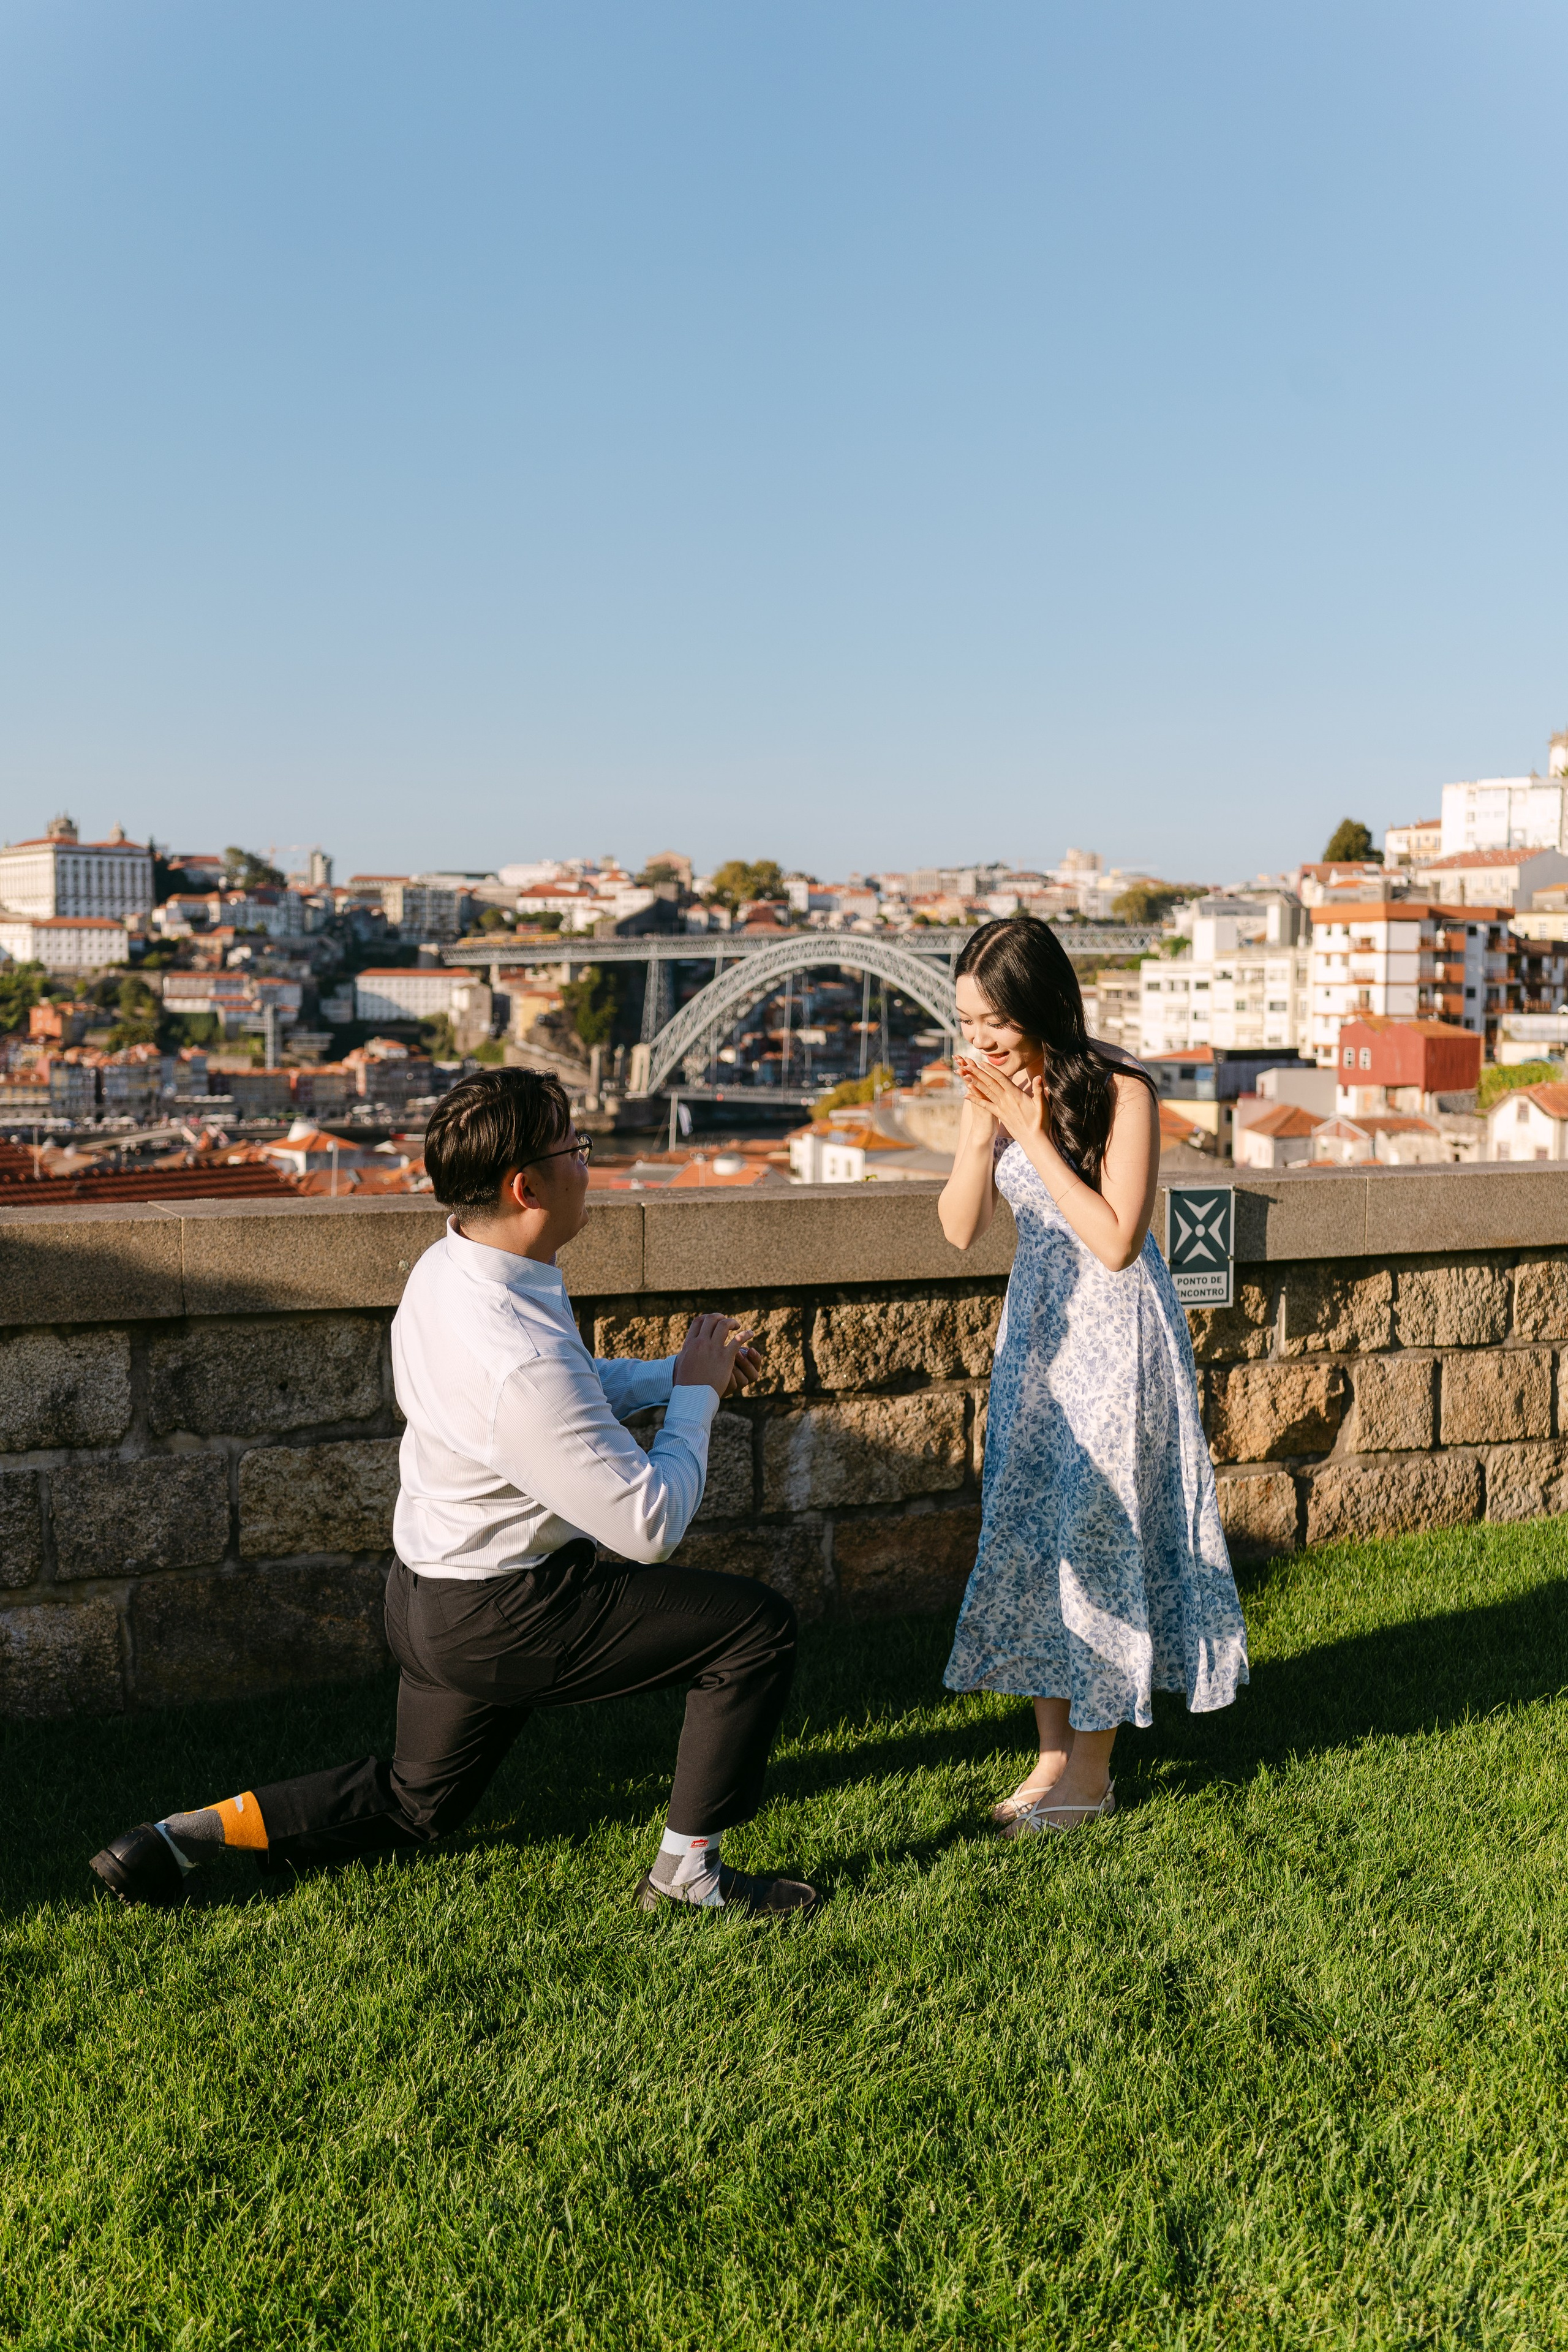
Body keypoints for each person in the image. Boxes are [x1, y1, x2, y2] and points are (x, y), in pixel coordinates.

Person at [91, 1067, 819, 1918]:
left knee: (415, 1806)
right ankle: (688, 1877)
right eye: (577, 1149)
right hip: (509, 1615)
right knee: (753, 1632)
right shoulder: (517, 1351)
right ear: (526, 1186)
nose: (592, 1165)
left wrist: (671, 1374)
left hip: (429, 1599)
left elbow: (561, 1397)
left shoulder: (454, 1265)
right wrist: (697, 1397)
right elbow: (648, 1523)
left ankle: (175, 1839)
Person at [937, 915, 1248, 1834]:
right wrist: (973, 1128)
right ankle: (1049, 1759)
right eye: (964, 1022)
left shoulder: (1123, 1091)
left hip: (1117, 1333)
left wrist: (1030, 1135)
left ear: (1038, 1004)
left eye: (992, 1020)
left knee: (1103, 1530)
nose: (979, 1040)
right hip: (1039, 1331)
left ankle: (1092, 1776)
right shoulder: (989, 1092)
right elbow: (959, 1230)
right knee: (1033, 1528)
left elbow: (1116, 1241)